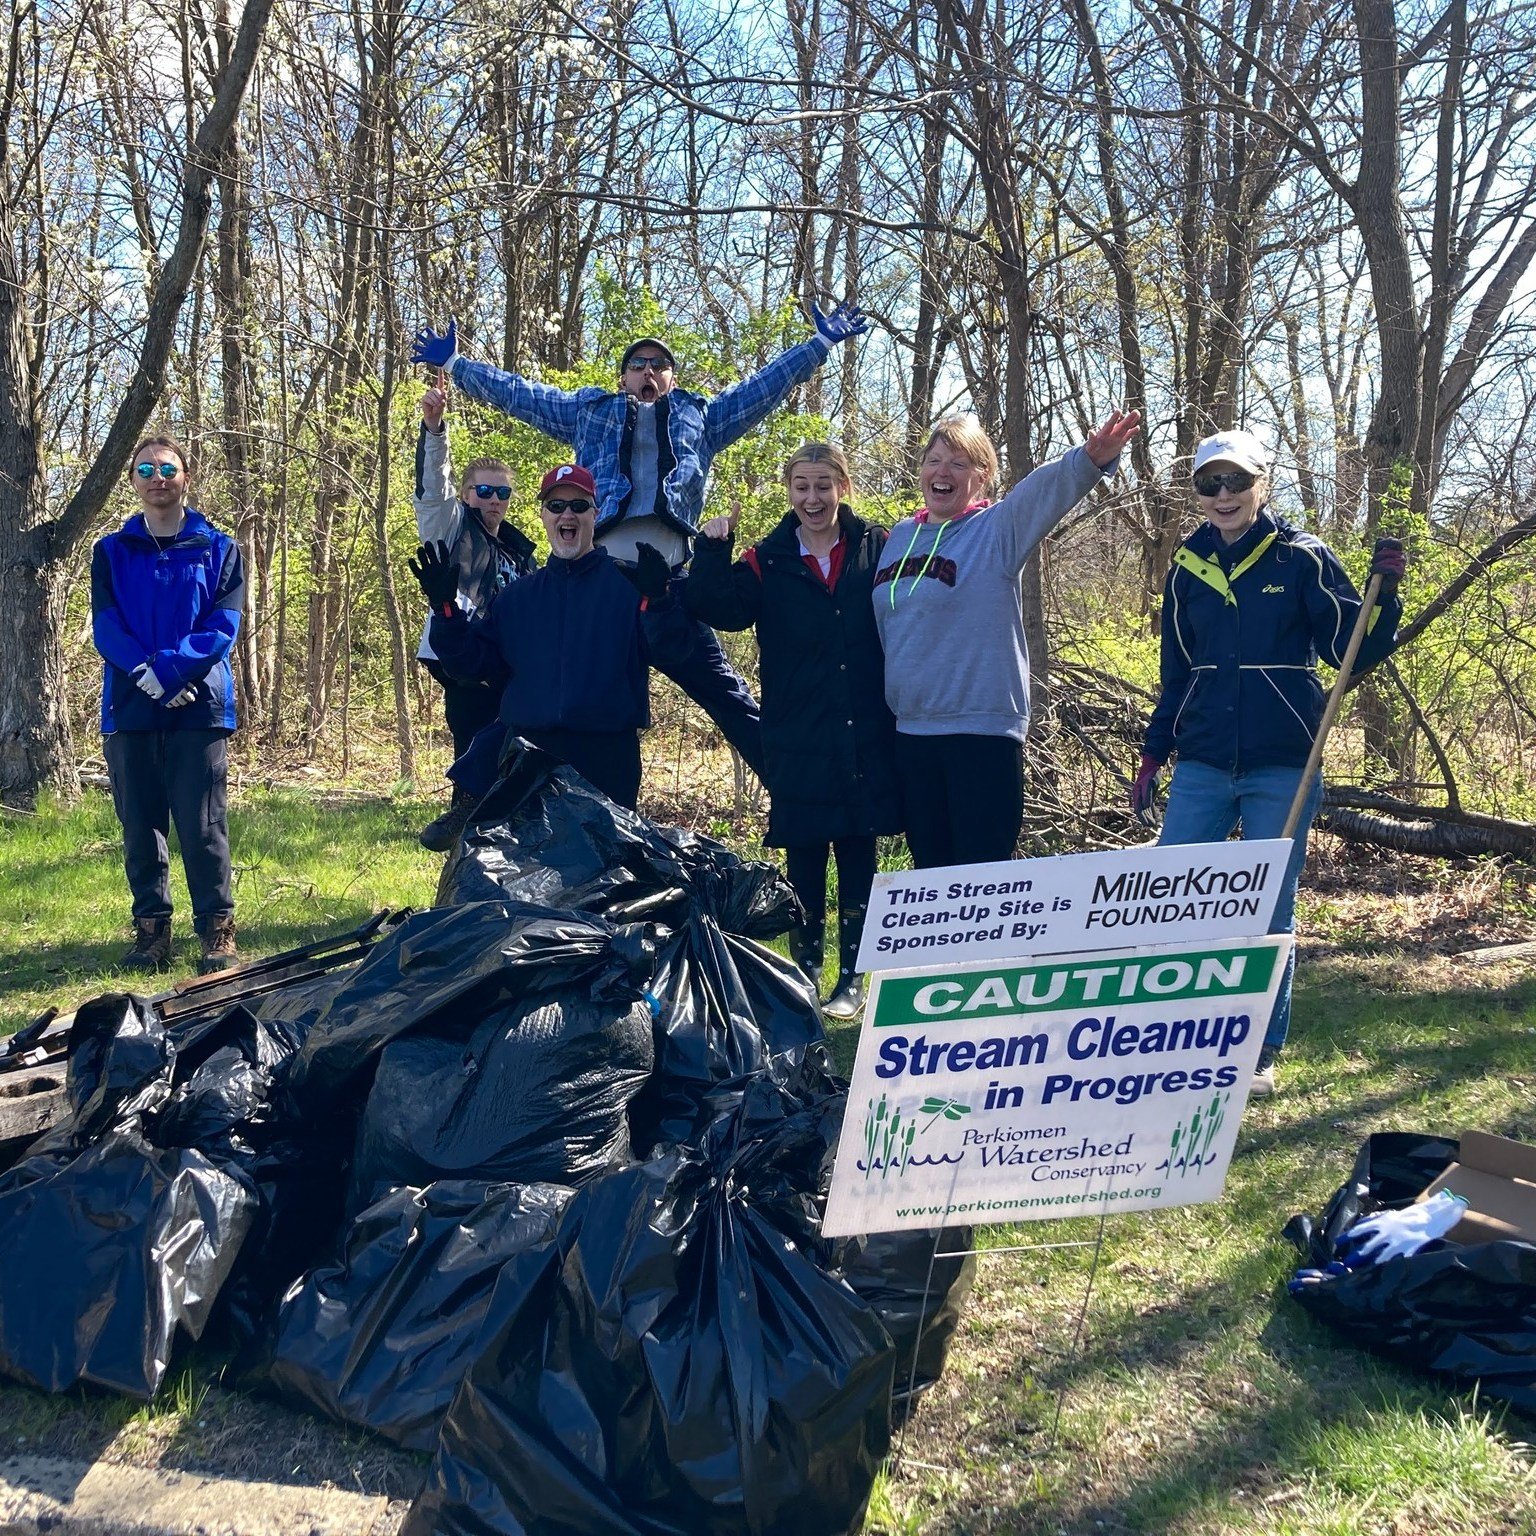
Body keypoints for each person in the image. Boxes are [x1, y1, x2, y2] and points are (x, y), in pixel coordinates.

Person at [406, 302, 870, 775]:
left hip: (668, 582)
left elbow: (764, 389)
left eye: (659, 364)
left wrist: (818, 346)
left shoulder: (702, 417)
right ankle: (474, 786)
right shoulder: (589, 412)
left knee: (727, 693)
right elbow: (522, 396)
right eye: (638, 364)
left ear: (671, 377)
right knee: (541, 683)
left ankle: (796, 793)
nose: (648, 371)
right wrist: (454, 365)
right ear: (623, 377)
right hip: (601, 579)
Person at [1130, 428, 1406, 1096]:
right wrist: (1154, 749)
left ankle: (1258, 1049)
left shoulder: (1303, 558)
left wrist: (1385, 598)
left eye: (1235, 481)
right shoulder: (1186, 565)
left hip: (1284, 759)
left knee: (1267, 907)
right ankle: (1176, 1034)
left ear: (1262, 482)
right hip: (1201, 758)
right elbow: (1177, 670)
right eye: (1209, 484)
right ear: (1197, 492)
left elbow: (1350, 653)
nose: (1223, 495)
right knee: (1173, 899)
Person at [874, 408, 1142, 870]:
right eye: (935, 460)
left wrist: (1090, 459)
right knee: (929, 876)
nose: (943, 472)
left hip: (980, 733)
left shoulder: (997, 528)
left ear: (982, 476)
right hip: (912, 734)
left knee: (981, 881)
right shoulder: (898, 538)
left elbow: (1045, 491)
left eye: (959, 464)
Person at [688, 443, 899, 1019]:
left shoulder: (876, 546)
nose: (813, 498)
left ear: (843, 487)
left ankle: (853, 976)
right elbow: (719, 607)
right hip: (797, 731)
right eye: (802, 486)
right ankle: (804, 971)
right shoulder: (768, 558)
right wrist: (710, 548)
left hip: (862, 728)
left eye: (824, 485)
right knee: (804, 854)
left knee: (859, 852)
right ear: (789, 492)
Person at [411, 464, 679, 811]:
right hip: (528, 760)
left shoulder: (629, 587)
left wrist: (660, 603)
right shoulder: (516, 598)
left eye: (578, 506)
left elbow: (673, 650)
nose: (567, 513)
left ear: (595, 515)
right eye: (556, 506)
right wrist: (445, 608)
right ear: (543, 516)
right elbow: (471, 664)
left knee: (603, 865)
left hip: (606, 760)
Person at [90, 435, 245, 974]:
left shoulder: (220, 548)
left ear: (186, 477)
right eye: (146, 469)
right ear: (133, 480)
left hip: (198, 704)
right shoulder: (111, 550)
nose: (158, 477)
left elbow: (222, 626)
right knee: (140, 823)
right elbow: (107, 625)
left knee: (202, 824)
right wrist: (146, 675)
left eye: (168, 469)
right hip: (132, 705)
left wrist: (173, 671)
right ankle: (151, 933)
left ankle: (217, 932)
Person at [411, 378, 537, 851]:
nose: (493, 500)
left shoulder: (518, 549)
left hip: (504, 662)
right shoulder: (448, 524)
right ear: (466, 494)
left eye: (502, 493)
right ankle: (465, 827)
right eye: (483, 490)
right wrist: (434, 427)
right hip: (460, 655)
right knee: (471, 740)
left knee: (506, 748)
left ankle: (491, 833)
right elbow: (431, 487)